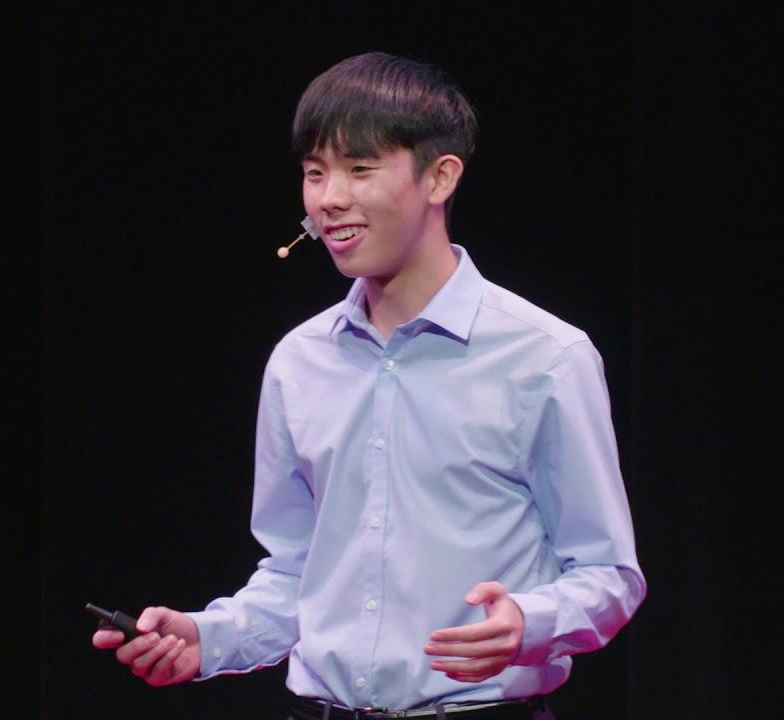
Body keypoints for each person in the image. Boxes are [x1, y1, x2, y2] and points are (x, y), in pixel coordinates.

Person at [93, 52, 645, 719]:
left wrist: (529, 621)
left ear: (440, 177)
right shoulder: (299, 362)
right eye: (314, 172)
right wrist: (207, 639)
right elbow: (296, 572)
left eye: (360, 169)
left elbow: (609, 576)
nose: (329, 198)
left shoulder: (544, 357)